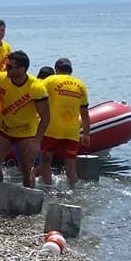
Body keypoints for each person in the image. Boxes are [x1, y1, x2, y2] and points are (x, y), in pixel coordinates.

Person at [0, 50, 50, 189]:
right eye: (7, 65)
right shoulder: (1, 79)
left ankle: (29, 199)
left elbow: (46, 117)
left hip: (27, 132)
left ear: (22, 69)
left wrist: (37, 141)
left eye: (10, 67)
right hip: (5, 129)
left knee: (26, 169)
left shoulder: (36, 87)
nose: (6, 69)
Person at [39, 58, 90, 187]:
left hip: (52, 128)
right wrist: (86, 135)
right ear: (71, 70)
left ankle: (48, 187)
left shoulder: (50, 80)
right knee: (70, 165)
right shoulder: (81, 86)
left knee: (46, 160)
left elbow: (35, 95)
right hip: (72, 131)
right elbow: (84, 113)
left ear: (56, 70)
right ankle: (73, 190)